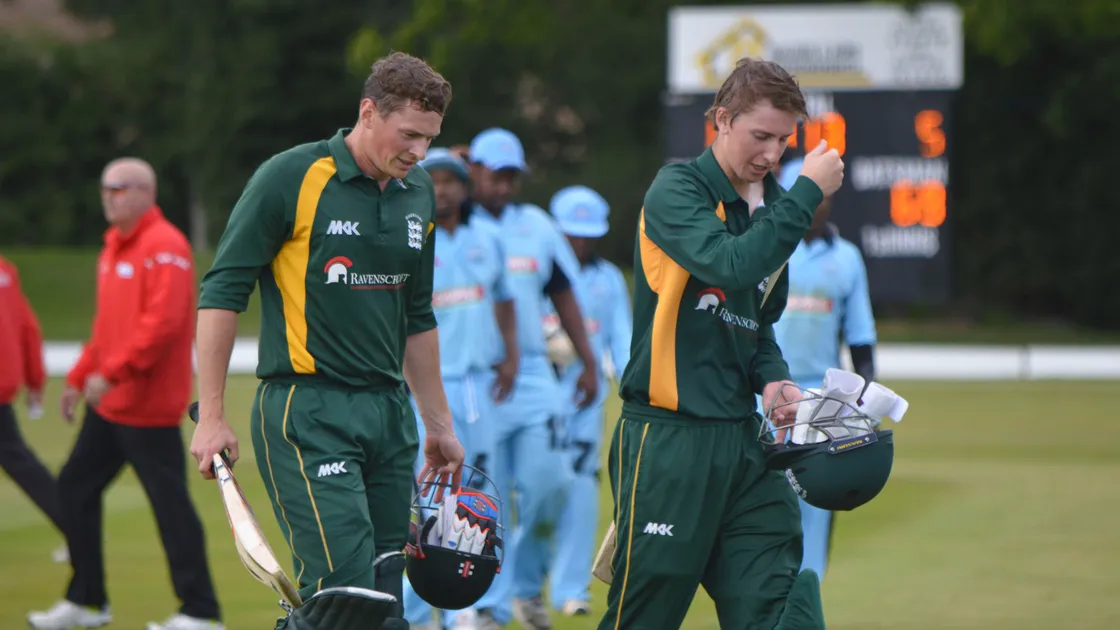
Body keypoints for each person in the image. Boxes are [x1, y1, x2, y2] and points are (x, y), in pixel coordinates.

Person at [189, 52, 465, 630]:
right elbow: (222, 291)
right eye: (409, 135)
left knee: (385, 601)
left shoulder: (417, 192)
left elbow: (416, 316)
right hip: (308, 410)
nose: (420, 152)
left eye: (430, 138)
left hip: (390, 416)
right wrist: (210, 416)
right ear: (368, 112)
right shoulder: (290, 177)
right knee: (343, 596)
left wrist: (438, 424)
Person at [598, 57, 844, 630]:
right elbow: (729, 264)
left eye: (784, 140)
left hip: (745, 445)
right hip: (670, 440)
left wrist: (773, 378)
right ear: (723, 119)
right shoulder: (677, 188)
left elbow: (758, 325)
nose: (772, 154)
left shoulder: (776, 205)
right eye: (761, 136)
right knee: (645, 617)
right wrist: (807, 193)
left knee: (778, 604)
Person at [28, 158, 224, 630]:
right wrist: (79, 376)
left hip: (149, 406)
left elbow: (163, 325)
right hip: (111, 406)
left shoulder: (166, 247)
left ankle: (200, 612)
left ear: (143, 192)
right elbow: (106, 328)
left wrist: (113, 372)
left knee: (169, 506)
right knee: (74, 488)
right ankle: (87, 600)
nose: (106, 196)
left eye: (116, 188)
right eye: (104, 188)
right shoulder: (113, 247)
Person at [463, 128, 599, 630]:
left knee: (551, 485)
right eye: (494, 175)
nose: (503, 186)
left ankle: (525, 585)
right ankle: (492, 607)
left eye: (511, 177)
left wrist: (588, 361)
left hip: (535, 374)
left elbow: (563, 293)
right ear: (474, 171)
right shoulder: (455, 223)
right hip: (478, 378)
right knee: (485, 499)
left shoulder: (537, 225)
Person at [399, 147, 519, 630]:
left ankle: (473, 604)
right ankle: (414, 607)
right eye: (434, 180)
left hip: (477, 382)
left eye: (451, 180)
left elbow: (505, 299)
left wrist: (510, 355)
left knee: (478, 491)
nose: (443, 189)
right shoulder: (408, 236)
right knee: (424, 494)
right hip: (425, 385)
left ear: (464, 187)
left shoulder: (487, 237)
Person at [772, 156, 878, 581]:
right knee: (764, 498)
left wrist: (864, 402)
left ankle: (807, 592)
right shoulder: (767, 249)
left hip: (822, 396)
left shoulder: (847, 258)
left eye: (821, 196)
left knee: (816, 500)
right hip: (765, 392)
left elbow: (860, 336)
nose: (814, 205)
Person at [542, 186, 632, 618]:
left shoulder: (609, 278)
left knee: (581, 489)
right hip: (534, 399)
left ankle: (571, 589)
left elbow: (623, 341)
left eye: (588, 235)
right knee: (534, 491)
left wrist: (635, 390)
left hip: (586, 399)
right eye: (571, 234)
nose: (579, 242)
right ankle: (511, 588)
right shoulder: (534, 269)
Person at [0, 255, 63, 547]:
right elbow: (27, 325)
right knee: (21, 462)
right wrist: (34, 378)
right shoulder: (4, 270)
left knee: (19, 461)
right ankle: (78, 531)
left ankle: (79, 532)